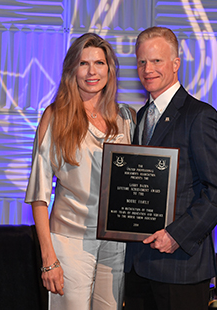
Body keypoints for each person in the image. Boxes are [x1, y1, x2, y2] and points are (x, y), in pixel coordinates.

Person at [124, 27, 217, 310]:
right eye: (142, 62)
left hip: (180, 268)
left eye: (157, 61)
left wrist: (176, 235)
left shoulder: (199, 116)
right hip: (138, 267)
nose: (148, 69)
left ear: (175, 63)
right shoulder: (139, 117)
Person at [25, 33, 135, 310]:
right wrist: (48, 258)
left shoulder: (127, 118)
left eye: (99, 63)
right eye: (83, 63)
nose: (92, 71)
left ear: (110, 70)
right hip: (70, 240)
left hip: (116, 244)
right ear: (72, 69)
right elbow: (39, 195)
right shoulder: (55, 116)